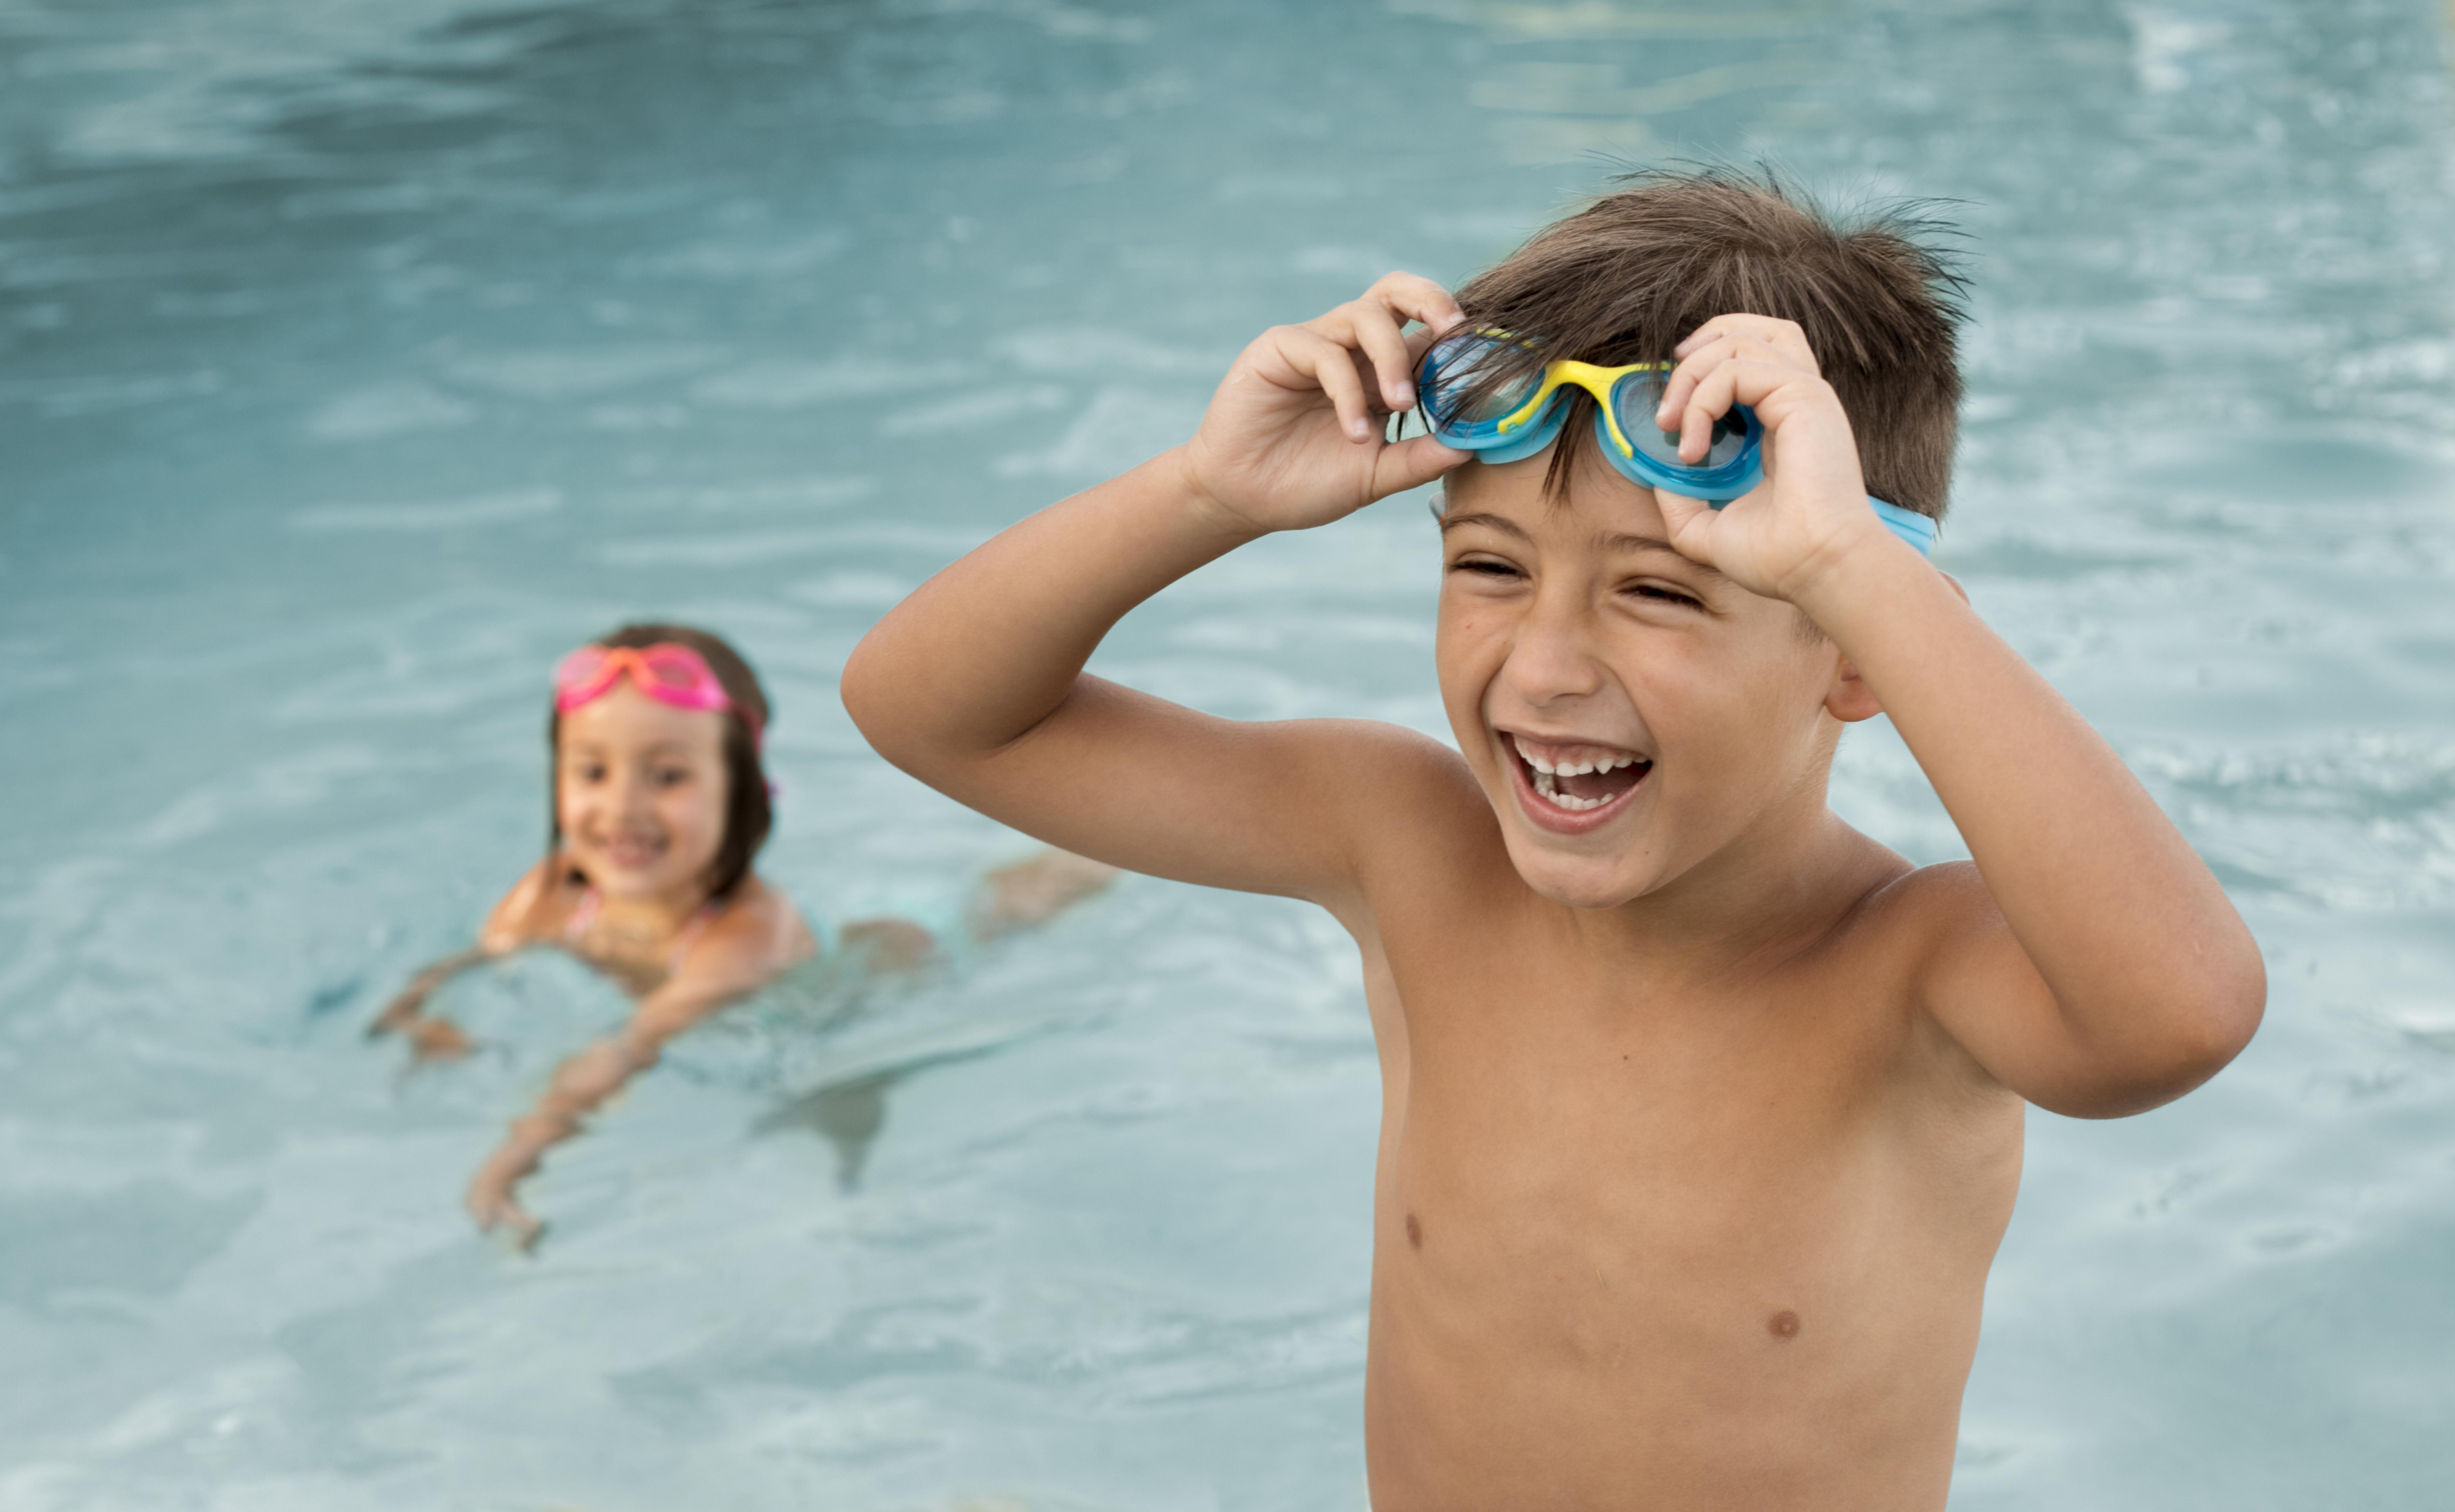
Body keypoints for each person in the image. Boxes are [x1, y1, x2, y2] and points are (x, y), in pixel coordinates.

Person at [841, 168, 2263, 1509]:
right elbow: (933, 713)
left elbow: (2179, 1015)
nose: (1543, 669)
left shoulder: (1910, 974)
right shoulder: (1407, 851)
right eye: (1489, 569)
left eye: (1657, 592)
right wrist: (1204, 494)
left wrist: (1848, 563)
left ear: (1854, 653)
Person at [371, 623, 1113, 1247]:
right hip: (837, 925)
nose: (622, 806)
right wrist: (422, 1018)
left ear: (743, 792)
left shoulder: (742, 938)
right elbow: (470, 959)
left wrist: (514, 1157)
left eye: (666, 776)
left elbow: (630, 1047)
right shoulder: (555, 889)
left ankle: (1112, 836)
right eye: (592, 771)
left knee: (1018, 898)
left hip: (906, 949)